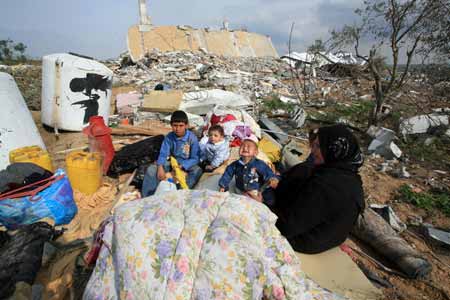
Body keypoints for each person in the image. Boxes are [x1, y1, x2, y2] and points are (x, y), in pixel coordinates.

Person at [274, 124, 365, 254]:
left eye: (318, 147)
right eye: (314, 145)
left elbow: (287, 227)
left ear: (333, 150)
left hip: (303, 242)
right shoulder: (351, 177)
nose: (313, 150)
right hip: (329, 239)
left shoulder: (325, 184)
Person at [141, 110, 203, 197]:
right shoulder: (169, 137)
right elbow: (163, 154)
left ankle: (181, 194)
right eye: (175, 126)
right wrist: (160, 167)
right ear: (171, 125)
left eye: (181, 126)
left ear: (186, 125)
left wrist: (183, 166)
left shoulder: (192, 138)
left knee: (197, 171)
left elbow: (195, 158)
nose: (177, 129)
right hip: (173, 163)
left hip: (186, 164)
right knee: (152, 169)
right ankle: (148, 197)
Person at [218, 135, 279, 206]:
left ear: (255, 153)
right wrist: (223, 185)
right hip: (239, 189)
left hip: (254, 190)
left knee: (269, 200)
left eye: (249, 146)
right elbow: (227, 174)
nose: (245, 147)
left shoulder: (259, 164)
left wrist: (272, 178)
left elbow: (267, 172)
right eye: (242, 146)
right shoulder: (235, 164)